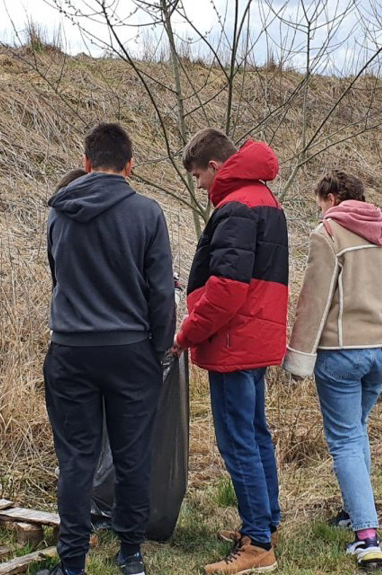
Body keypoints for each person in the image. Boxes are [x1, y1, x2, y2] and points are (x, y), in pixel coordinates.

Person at [43, 123, 176, 575]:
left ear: (86, 163)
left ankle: (73, 563)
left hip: (71, 350)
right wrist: (159, 349)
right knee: (132, 454)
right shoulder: (147, 213)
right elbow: (160, 293)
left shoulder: (59, 212)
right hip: (130, 351)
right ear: (130, 165)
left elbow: (57, 279)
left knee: (77, 459)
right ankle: (131, 556)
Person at [172, 128, 288, 575]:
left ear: (216, 167)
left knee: (237, 441)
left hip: (233, 341)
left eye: (199, 175)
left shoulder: (237, 206)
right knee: (255, 434)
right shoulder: (263, 200)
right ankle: (266, 522)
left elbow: (227, 288)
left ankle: (258, 545)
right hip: (255, 338)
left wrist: (188, 332)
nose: (200, 185)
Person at [282, 170, 382, 567]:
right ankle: (356, 511)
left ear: (332, 197)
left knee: (346, 440)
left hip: (342, 351)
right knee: (357, 431)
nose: (319, 213)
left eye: (320, 204)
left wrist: (297, 359)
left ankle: (366, 537)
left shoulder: (328, 234)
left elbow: (313, 301)